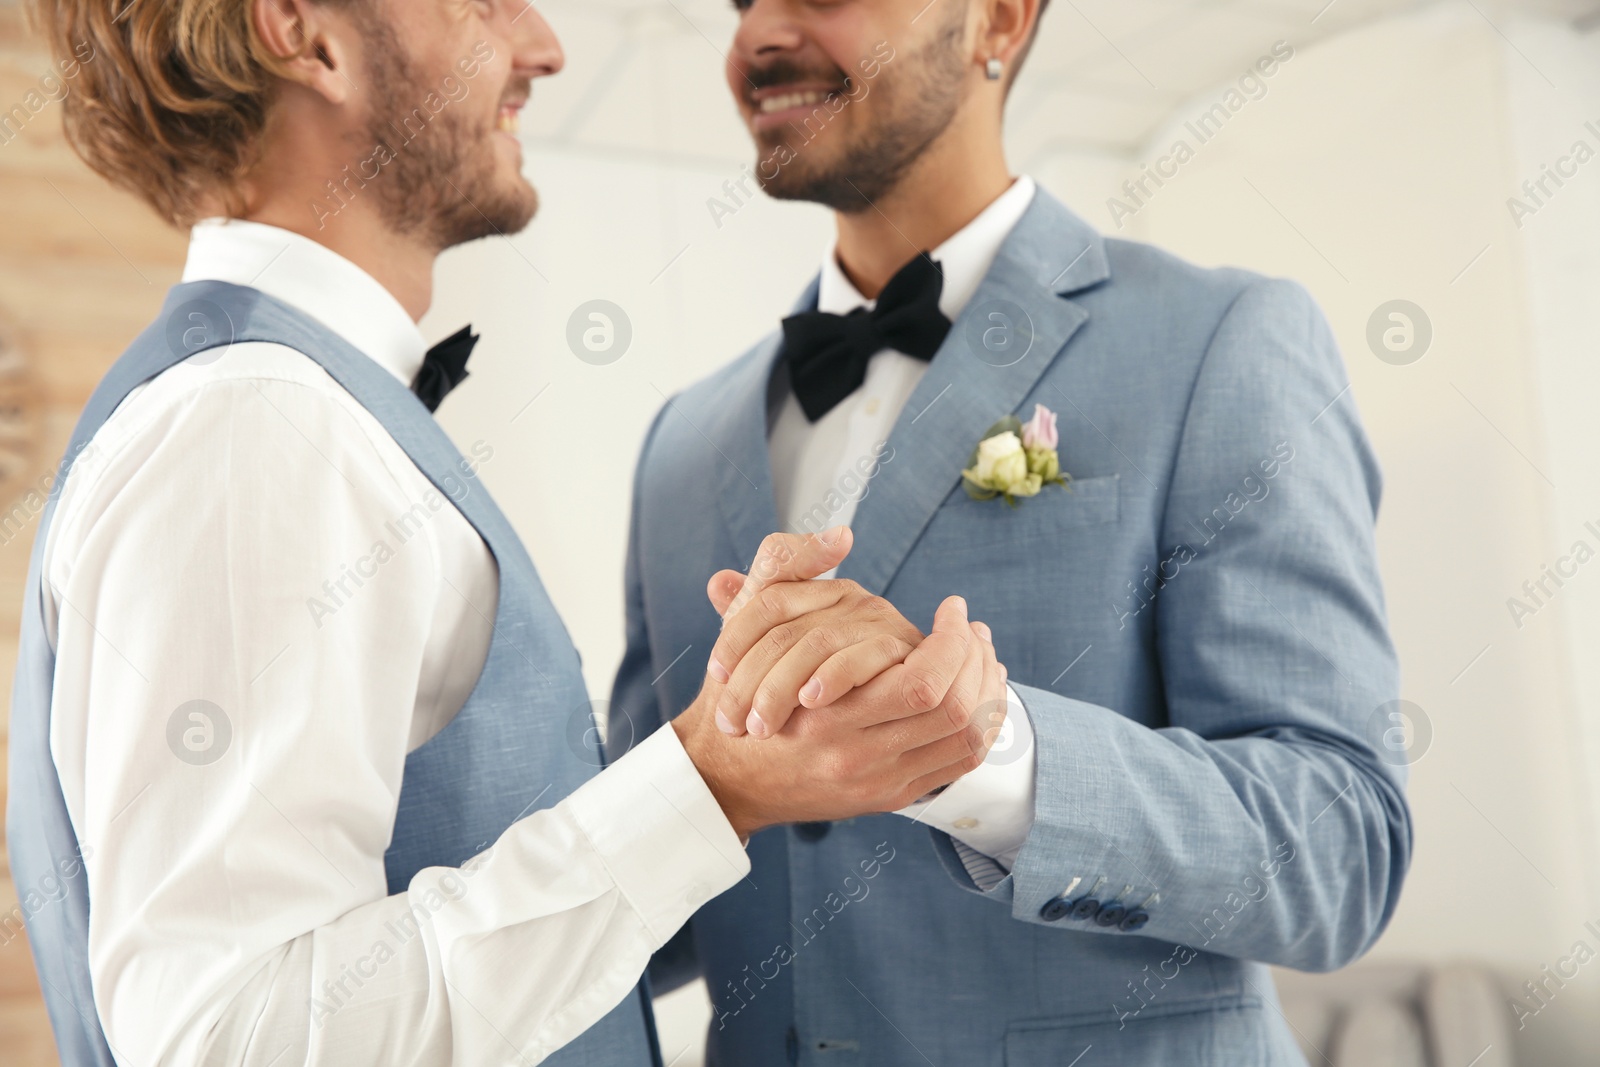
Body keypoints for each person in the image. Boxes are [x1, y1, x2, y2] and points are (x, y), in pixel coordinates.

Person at [6, 2, 1005, 1065]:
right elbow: (234, 1037)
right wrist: (709, 782)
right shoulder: (257, 423)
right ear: (304, 32)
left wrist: (734, 766)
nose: (543, 46)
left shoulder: (289, 407)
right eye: (483, 1)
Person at [608, 0, 1414, 1061]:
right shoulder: (680, 443)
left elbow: (1338, 848)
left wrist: (981, 750)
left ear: (996, 19)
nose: (760, 34)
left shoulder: (1222, 340)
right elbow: (635, 886)